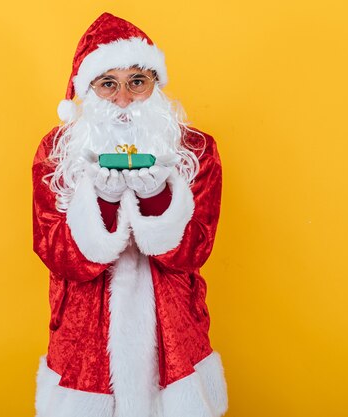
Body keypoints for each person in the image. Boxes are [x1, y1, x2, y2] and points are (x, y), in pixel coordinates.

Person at [32, 12, 228, 417]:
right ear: (87, 90)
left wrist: (157, 196)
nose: (123, 99)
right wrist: (102, 201)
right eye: (108, 85)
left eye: (137, 82)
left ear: (155, 86)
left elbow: (193, 253)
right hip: (85, 341)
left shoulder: (194, 151)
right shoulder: (56, 152)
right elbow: (56, 254)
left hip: (173, 338)